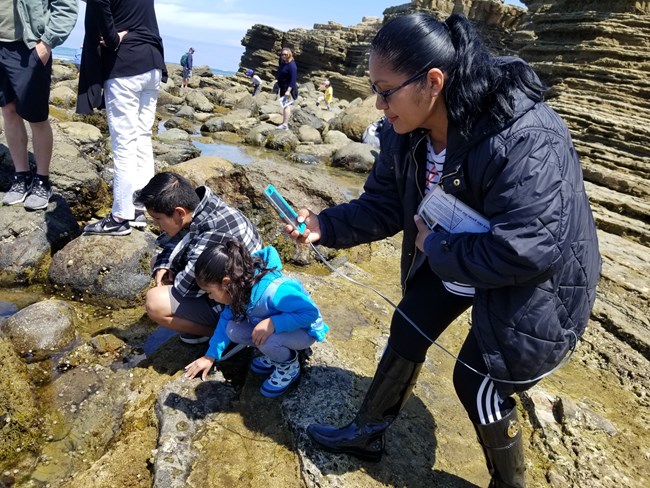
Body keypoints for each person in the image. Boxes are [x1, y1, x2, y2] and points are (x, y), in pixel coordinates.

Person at [284, 12, 601, 487]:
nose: (376, 104)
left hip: (538, 280)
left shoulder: (524, 136)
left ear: (433, 82)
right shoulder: (404, 132)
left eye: (385, 90)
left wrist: (437, 245)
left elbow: (529, 249)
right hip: (457, 250)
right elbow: (385, 204)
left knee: (477, 382)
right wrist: (324, 225)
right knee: (409, 321)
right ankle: (368, 433)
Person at [184, 239, 329, 398]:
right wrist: (210, 356)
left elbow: (310, 313)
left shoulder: (273, 291)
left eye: (209, 292)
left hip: (304, 330)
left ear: (226, 283)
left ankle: (288, 366)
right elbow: (226, 320)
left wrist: (273, 323)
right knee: (233, 329)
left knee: (268, 341)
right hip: (278, 328)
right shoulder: (238, 288)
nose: (210, 297)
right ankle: (274, 353)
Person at [132, 172, 263, 344]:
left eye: (158, 219)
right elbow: (173, 241)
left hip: (240, 305)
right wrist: (164, 265)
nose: (156, 225)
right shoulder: (203, 208)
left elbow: (186, 288)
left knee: (155, 303)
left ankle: (227, 337)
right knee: (158, 263)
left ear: (179, 212)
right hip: (226, 286)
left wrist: (170, 276)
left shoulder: (214, 230)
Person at [77, 0, 167, 236]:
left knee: (124, 143)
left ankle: (119, 216)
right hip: (153, 63)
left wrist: (112, 38)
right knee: (142, 138)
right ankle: (139, 208)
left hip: (125, 66)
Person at [1, 0, 78, 210]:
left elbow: (66, 6)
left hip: (29, 46)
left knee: (36, 116)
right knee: (8, 110)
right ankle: (21, 176)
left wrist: (47, 42)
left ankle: (42, 180)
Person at [275, 47, 297, 130]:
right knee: (284, 106)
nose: (283, 56)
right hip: (283, 87)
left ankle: (285, 125)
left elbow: (293, 79)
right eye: (282, 54)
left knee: (286, 106)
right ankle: (284, 123)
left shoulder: (292, 65)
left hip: (288, 89)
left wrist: (288, 91)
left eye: (285, 54)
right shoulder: (283, 63)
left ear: (289, 55)